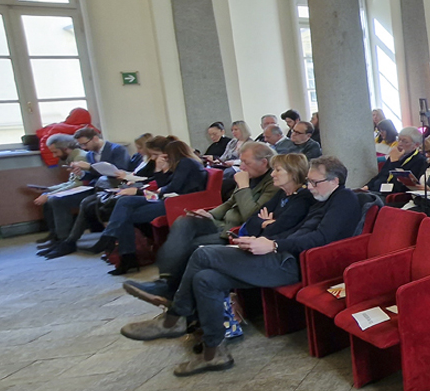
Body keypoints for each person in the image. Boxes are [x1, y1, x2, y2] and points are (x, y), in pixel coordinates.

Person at [120, 156, 357, 376]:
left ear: (335, 181)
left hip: (294, 263)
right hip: (282, 254)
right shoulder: (318, 198)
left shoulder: (343, 198)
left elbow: (321, 238)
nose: (310, 186)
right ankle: (214, 354)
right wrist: (263, 238)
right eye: (309, 182)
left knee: (203, 255)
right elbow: (293, 229)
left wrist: (273, 243)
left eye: (315, 182)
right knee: (206, 279)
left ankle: (175, 316)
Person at [122, 143, 282, 306]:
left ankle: (171, 291)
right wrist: (210, 214)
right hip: (221, 222)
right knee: (184, 222)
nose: (241, 167)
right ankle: (165, 282)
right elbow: (229, 203)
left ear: (263, 162)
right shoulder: (250, 176)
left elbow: (251, 215)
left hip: (236, 231)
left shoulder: (272, 182)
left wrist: (243, 186)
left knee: (192, 246)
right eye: (241, 162)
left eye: (246, 163)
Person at [94, 139, 207, 275]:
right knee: (124, 202)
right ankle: (110, 238)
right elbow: (165, 187)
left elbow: (172, 187)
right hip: (169, 198)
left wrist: (146, 189)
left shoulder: (186, 163)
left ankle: (125, 255)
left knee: (125, 215)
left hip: (178, 202)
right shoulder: (184, 163)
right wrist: (160, 171)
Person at [38, 127, 132, 252]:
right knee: (57, 200)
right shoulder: (92, 153)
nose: (83, 148)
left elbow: (120, 173)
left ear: (95, 138)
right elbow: (90, 176)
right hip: (95, 187)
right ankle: (62, 239)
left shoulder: (117, 149)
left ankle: (69, 242)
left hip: (112, 187)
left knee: (86, 203)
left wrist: (90, 167)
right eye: (80, 145)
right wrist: (81, 172)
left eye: (84, 144)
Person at [366, 126, 427, 196]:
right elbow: (381, 174)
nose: (400, 144)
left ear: (416, 145)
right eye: (399, 140)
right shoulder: (395, 154)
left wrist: (395, 162)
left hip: (394, 194)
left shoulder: (420, 161)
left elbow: (402, 185)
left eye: (405, 141)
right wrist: (368, 186)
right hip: (377, 190)